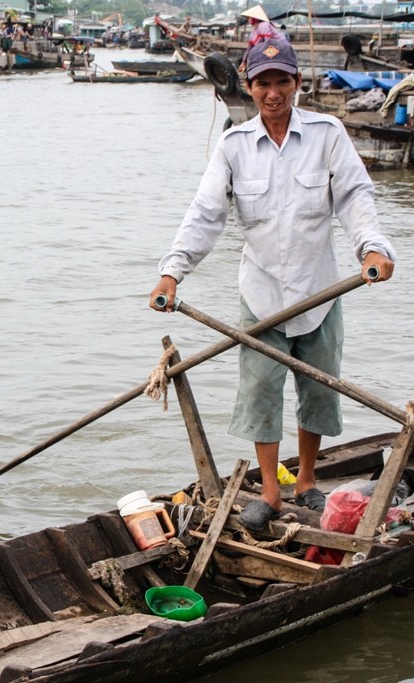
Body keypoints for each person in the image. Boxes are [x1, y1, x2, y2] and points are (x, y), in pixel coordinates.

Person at [149, 38, 395, 532]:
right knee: (261, 390)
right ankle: (270, 490)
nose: (274, 92)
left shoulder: (327, 134)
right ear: (250, 86)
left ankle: (306, 481)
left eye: (283, 81)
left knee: (319, 389)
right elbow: (206, 214)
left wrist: (373, 248)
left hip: (320, 290)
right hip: (260, 293)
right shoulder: (234, 146)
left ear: (296, 84)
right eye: (264, 83)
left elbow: (354, 196)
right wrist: (172, 272)